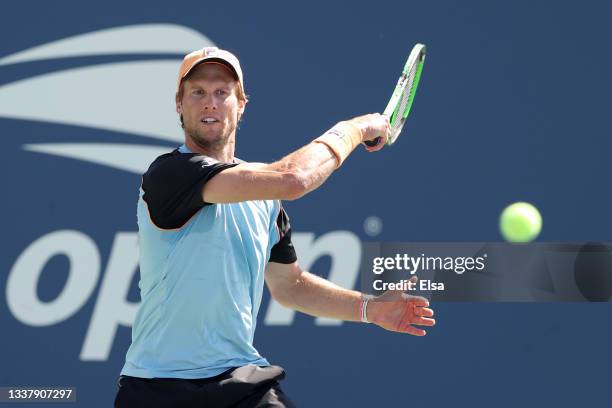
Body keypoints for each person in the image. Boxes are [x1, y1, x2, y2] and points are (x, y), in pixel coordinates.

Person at [115, 46, 435, 408]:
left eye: (222, 93)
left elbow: (290, 285)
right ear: (179, 105)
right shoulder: (169, 174)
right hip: (158, 388)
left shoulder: (264, 199)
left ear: (241, 105)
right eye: (198, 93)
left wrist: (370, 309)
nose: (210, 103)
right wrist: (354, 129)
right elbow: (294, 178)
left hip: (240, 381)